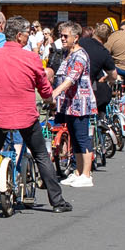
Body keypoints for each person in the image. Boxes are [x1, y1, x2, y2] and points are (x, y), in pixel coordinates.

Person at [0, 16, 71, 213]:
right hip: (25, 115)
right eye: (27, 34)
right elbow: (45, 90)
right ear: (19, 36)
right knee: (40, 155)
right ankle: (57, 201)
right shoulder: (31, 58)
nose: (29, 37)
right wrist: (48, 98)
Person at [50, 21, 104, 188]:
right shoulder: (69, 54)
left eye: (66, 36)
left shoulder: (79, 55)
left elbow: (71, 78)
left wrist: (54, 92)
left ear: (76, 37)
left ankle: (87, 174)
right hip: (70, 104)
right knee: (74, 138)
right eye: (61, 35)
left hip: (80, 103)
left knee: (82, 138)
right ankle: (78, 171)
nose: (63, 38)